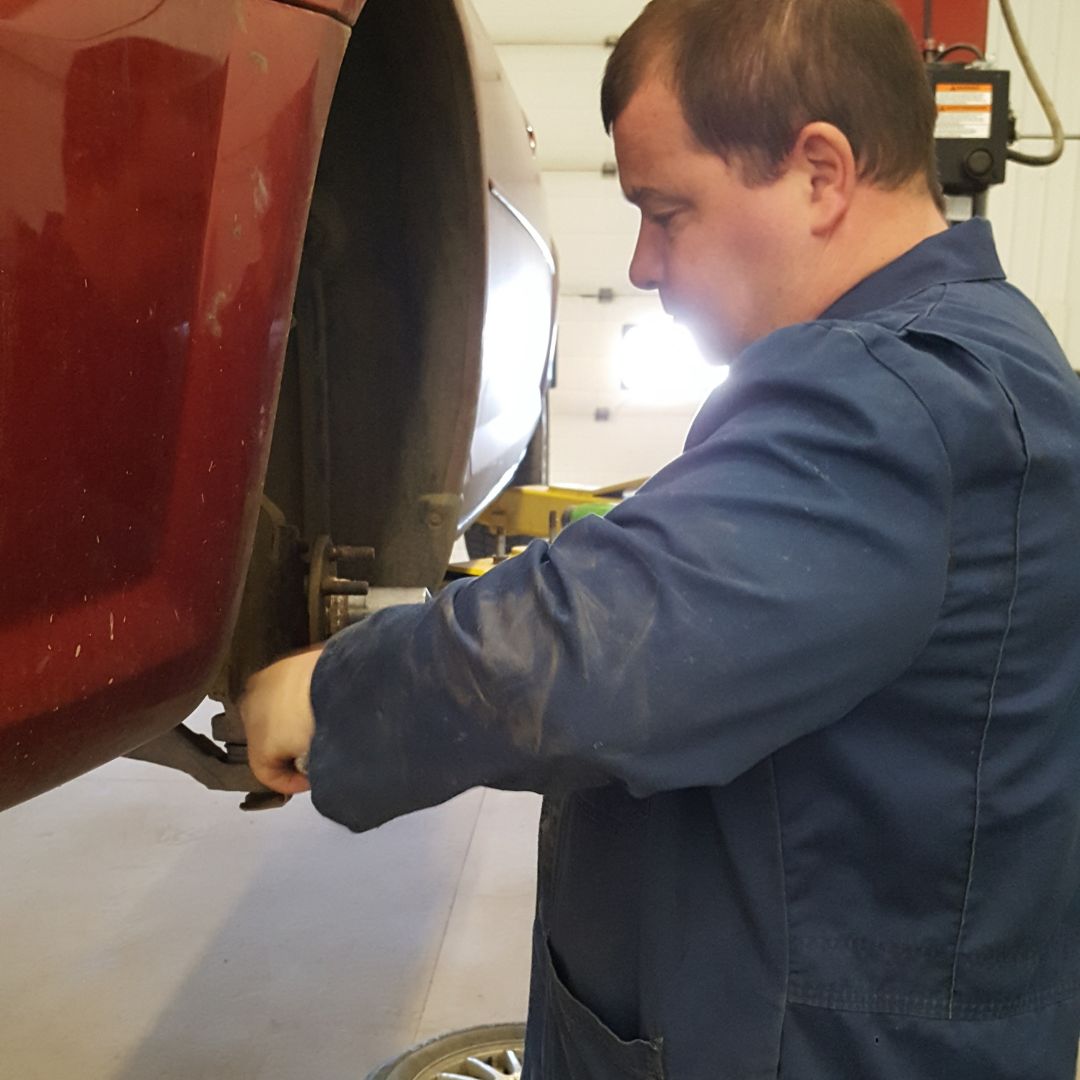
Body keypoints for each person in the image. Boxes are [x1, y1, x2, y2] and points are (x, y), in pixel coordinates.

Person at [240, 0, 1080, 1075]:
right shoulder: (936, 366)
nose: (639, 263)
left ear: (821, 173)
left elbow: (607, 648)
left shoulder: (901, 403)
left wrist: (336, 694)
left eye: (667, 210)